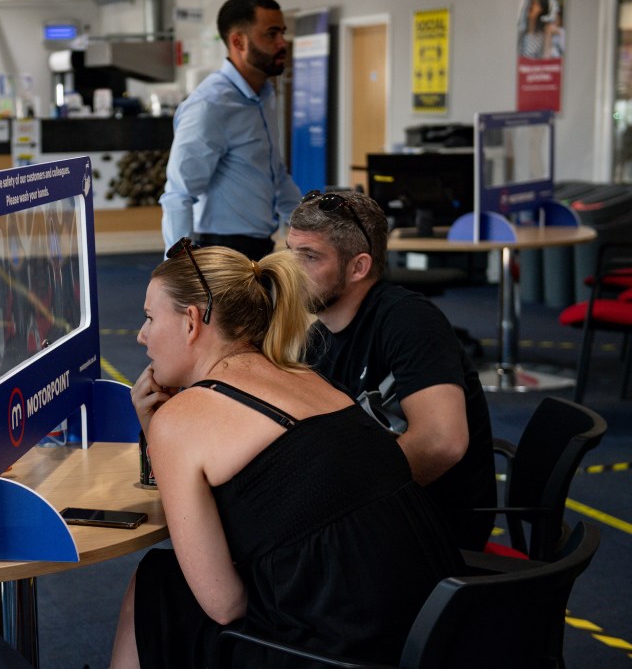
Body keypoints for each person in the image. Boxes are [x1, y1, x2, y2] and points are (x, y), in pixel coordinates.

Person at [113, 242, 463, 667]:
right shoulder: (307, 377)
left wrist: (160, 432)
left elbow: (225, 605)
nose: (141, 336)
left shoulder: (183, 419)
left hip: (344, 651)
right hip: (437, 624)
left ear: (192, 322)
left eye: (150, 318)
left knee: (154, 584)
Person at [286, 189, 497, 550]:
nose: (290, 271)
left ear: (358, 267)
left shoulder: (409, 322)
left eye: (309, 257)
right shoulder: (317, 340)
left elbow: (442, 442)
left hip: (432, 530)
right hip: (381, 518)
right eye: (290, 253)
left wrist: (344, 502)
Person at [159, 0, 300, 261]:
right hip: (220, 251)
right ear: (238, 41)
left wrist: (310, 227)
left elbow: (275, 173)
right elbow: (178, 194)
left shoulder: (266, 95)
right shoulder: (210, 105)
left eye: (282, 33)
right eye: (271, 34)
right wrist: (180, 271)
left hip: (261, 247)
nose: (283, 43)